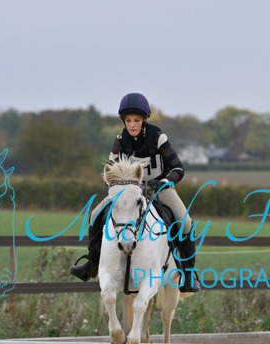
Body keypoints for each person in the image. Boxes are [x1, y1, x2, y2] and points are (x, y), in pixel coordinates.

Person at [69, 92, 200, 292]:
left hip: (159, 189)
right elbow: (111, 171)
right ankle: (92, 263)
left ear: (144, 119)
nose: (132, 125)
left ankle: (189, 273)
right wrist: (118, 187)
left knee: (186, 222)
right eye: (128, 120)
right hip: (129, 192)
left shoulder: (157, 136)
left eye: (136, 120)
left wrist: (163, 182)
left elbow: (178, 168)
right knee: (95, 214)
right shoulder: (120, 140)